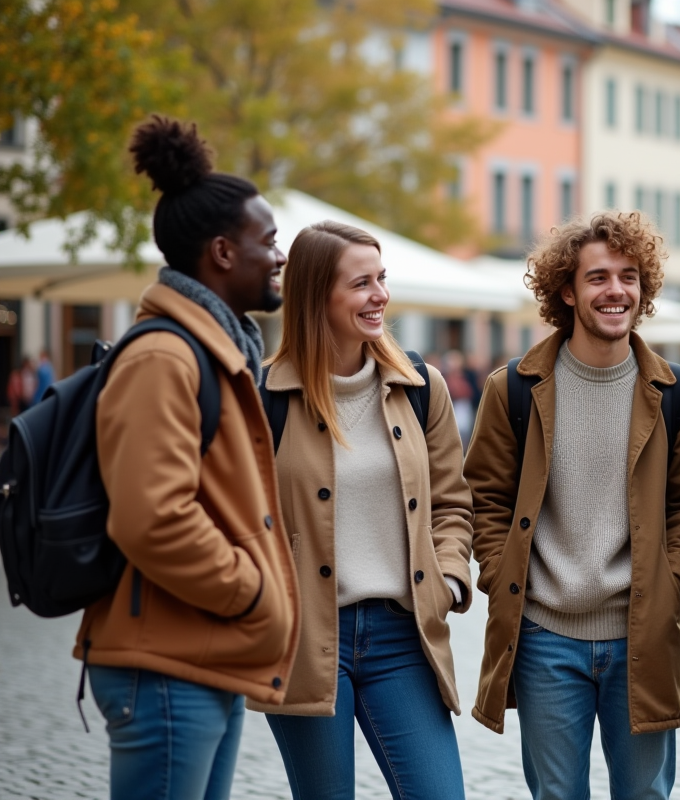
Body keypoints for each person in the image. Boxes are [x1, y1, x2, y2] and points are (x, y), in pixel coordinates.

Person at [76, 115, 299, 800]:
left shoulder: (212, 349)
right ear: (224, 253)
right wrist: (253, 591)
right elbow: (152, 518)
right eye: (270, 241)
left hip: (199, 653)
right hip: (165, 664)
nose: (281, 255)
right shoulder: (164, 357)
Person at [464, 211, 680, 799]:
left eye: (629, 276)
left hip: (642, 631)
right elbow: (484, 500)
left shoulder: (676, 393)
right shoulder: (512, 389)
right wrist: (502, 575)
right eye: (598, 278)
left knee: (646, 795)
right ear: (567, 291)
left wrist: (670, 579)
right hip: (545, 636)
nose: (616, 290)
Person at [255, 221, 473, 800]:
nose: (380, 295)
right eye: (361, 283)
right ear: (315, 296)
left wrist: (448, 578)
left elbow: (452, 501)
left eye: (382, 279)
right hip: (305, 639)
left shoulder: (420, 386)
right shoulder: (263, 400)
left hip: (403, 637)